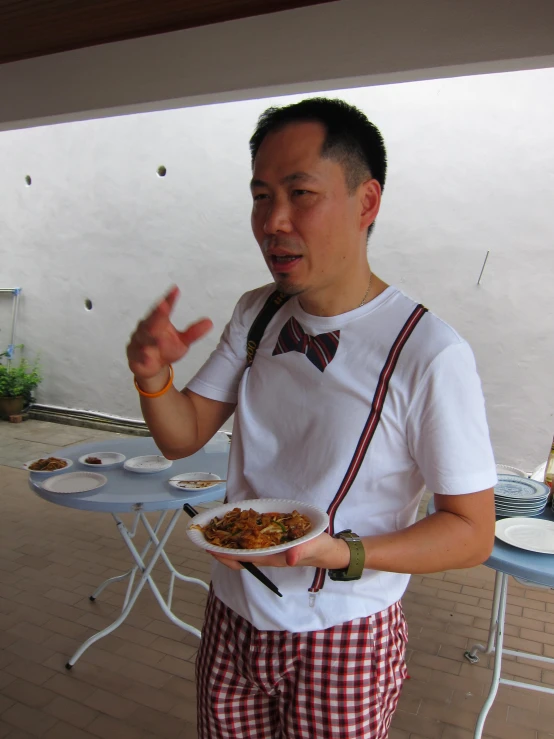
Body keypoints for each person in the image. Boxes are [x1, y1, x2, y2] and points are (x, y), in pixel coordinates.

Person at [127, 98, 497, 739]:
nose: (274, 221)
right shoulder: (258, 312)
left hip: (344, 632)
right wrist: (153, 376)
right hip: (233, 612)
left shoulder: (429, 353)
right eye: (261, 195)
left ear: (366, 202)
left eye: (301, 193)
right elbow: (183, 437)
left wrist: (341, 553)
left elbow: (471, 531)